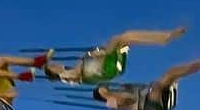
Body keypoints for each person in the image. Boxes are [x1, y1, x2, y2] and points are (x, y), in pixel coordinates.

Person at [93, 41, 200, 110]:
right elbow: (127, 101)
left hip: (153, 98)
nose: (109, 86)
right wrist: (105, 94)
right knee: (164, 80)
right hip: (151, 105)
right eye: (105, 88)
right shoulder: (110, 102)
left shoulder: (121, 88)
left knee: (172, 73)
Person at [41, 26, 186, 84]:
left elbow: (83, 70)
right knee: (118, 39)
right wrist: (90, 54)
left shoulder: (69, 73)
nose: (55, 64)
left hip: (110, 68)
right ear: (54, 72)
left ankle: (162, 38)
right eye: (53, 66)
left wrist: (91, 55)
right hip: (107, 67)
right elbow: (80, 73)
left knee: (126, 37)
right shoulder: (65, 76)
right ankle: (163, 38)